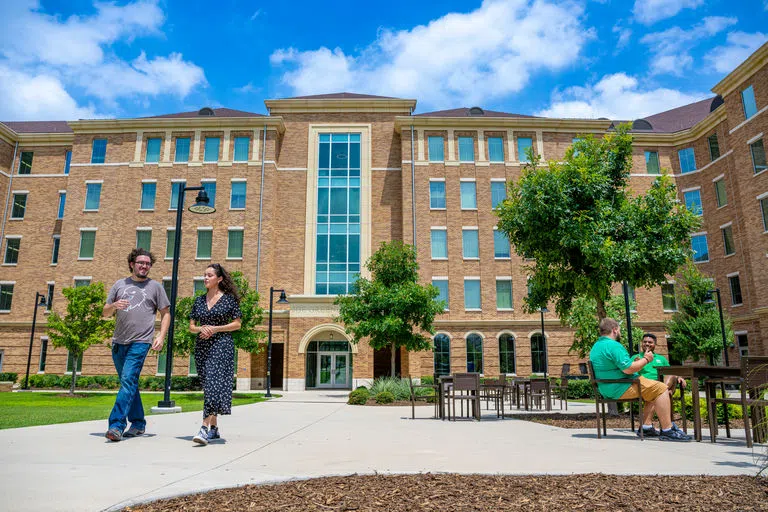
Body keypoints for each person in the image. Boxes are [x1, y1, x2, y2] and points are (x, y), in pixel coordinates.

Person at [103, 249, 170, 442]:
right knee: (129, 383)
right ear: (132, 263)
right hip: (118, 342)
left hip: (141, 342)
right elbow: (105, 312)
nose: (144, 266)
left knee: (127, 381)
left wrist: (161, 335)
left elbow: (166, 313)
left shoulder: (155, 287)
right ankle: (139, 423)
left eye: (148, 263)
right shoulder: (119, 284)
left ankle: (116, 425)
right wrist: (114, 306)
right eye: (141, 262)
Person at [589, 318, 690, 441]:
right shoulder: (614, 346)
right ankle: (667, 430)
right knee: (662, 389)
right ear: (615, 330)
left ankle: (647, 427)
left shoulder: (596, 346)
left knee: (653, 389)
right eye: (619, 330)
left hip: (606, 388)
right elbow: (628, 369)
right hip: (621, 387)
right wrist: (646, 359)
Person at [189, 263, 242, 445]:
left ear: (219, 279)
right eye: (204, 275)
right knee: (209, 386)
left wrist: (215, 329)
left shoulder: (229, 300)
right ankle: (214, 429)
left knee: (213, 384)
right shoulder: (198, 301)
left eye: (209, 275)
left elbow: (237, 324)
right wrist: (200, 329)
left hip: (222, 345)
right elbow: (191, 327)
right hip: (202, 347)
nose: (205, 278)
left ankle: (203, 428)